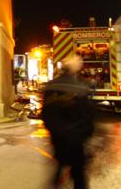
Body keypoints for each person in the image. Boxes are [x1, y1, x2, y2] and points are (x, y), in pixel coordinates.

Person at [42, 55, 94, 189]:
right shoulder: (82, 87)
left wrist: (54, 131)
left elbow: (46, 114)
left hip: (58, 138)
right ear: (77, 69)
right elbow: (88, 116)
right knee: (78, 174)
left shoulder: (51, 86)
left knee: (59, 163)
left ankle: (56, 182)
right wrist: (86, 135)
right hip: (75, 140)